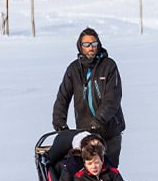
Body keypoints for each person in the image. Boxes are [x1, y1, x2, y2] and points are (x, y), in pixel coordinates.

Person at [52, 27, 125, 169]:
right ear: (80, 46)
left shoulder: (109, 66)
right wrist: (60, 124)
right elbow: (63, 97)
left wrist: (98, 121)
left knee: (109, 172)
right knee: (89, 171)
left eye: (94, 44)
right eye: (86, 44)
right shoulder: (74, 69)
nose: (90, 47)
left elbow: (112, 99)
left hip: (109, 132)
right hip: (86, 134)